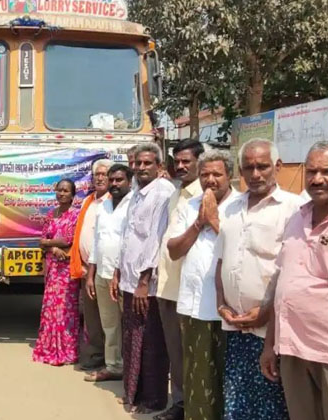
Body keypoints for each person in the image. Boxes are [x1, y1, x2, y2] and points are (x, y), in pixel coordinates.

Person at [260, 140, 328, 420]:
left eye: (327, 172)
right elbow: (285, 286)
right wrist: (271, 345)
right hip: (293, 351)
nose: (316, 179)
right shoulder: (296, 219)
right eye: (311, 171)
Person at [214, 139, 299, 419]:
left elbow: (291, 272)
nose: (255, 174)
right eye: (248, 167)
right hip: (235, 326)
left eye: (262, 166)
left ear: (278, 166)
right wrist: (221, 303)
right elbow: (221, 260)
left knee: (271, 404)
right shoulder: (230, 207)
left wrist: (265, 313)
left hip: (270, 331)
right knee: (237, 400)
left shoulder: (294, 209)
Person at [168, 150, 240, 420]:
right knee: (196, 375)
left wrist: (215, 221)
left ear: (229, 175)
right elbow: (174, 250)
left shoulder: (240, 206)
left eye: (216, 174)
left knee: (224, 378)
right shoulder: (190, 205)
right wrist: (199, 222)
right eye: (205, 174)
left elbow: (242, 250)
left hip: (225, 308)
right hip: (192, 304)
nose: (210, 180)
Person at [111, 143, 175, 414]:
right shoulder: (137, 192)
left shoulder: (163, 193)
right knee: (132, 339)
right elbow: (128, 236)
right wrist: (118, 272)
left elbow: (155, 240)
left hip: (145, 284)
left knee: (150, 344)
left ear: (159, 166)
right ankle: (133, 393)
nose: (140, 168)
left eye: (147, 163)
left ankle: (153, 399)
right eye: (137, 163)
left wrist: (143, 281)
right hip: (128, 278)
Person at [154, 139, 204, 420]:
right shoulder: (177, 193)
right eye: (178, 161)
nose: (181, 166)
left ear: (200, 160)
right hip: (168, 286)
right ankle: (181, 403)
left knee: (192, 353)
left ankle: (192, 406)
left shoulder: (205, 194)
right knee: (176, 352)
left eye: (187, 161)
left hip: (191, 290)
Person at [84, 164, 133, 382]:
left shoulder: (134, 205)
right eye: (111, 180)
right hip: (101, 274)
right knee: (109, 323)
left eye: (119, 180)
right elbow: (97, 241)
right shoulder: (103, 206)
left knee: (131, 326)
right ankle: (114, 366)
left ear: (129, 182)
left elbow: (131, 243)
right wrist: (90, 274)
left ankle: (133, 371)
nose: (114, 184)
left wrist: (118, 271)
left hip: (124, 277)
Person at [70, 159, 113, 371]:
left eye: (105, 174)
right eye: (97, 174)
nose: (100, 177)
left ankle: (113, 359)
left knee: (109, 317)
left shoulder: (114, 201)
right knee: (92, 316)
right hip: (87, 268)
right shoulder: (89, 201)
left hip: (105, 269)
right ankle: (97, 354)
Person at [33, 178, 81, 366]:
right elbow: (41, 241)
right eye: (59, 190)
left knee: (65, 309)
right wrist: (52, 248)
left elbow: (68, 240)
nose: (61, 193)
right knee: (51, 308)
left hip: (67, 268)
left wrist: (51, 243)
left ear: (72, 195)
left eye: (66, 191)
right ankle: (50, 347)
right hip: (53, 268)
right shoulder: (51, 214)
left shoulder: (76, 215)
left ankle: (67, 349)